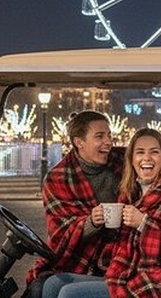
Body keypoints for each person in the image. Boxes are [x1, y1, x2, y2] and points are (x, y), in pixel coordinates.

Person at [45, 128, 161, 298]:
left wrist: (145, 224)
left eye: (154, 152)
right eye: (140, 152)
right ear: (131, 159)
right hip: (128, 273)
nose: (146, 158)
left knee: (69, 294)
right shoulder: (132, 193)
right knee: (53, 283)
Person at [23, 111, 125, 298]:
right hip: (78, 256)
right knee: (38, 288)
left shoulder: (123, 162)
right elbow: (60, 232)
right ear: (79, 142)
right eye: (100, 136)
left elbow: (155, 156)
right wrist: (90, 222)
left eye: (109, 135)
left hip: (119, 253)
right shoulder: (58, 178)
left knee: (59, 290)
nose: (108, 142)